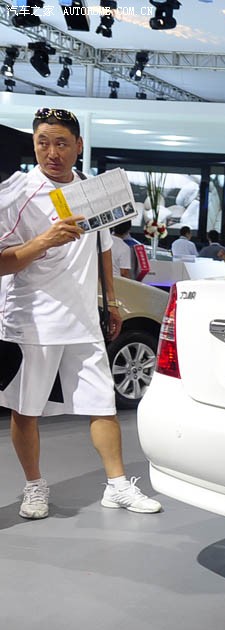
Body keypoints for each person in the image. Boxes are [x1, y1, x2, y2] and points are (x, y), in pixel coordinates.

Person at [0, 107, 161, 519]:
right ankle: (34, 486)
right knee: (26, 408)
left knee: (102, 404)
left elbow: (103, 249)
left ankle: (117, 485)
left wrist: (111, 300)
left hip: (84, 319)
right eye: (43, 143)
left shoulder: (92, 190)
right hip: (33, 320)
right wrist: (44, 241)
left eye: (61, 143)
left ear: (78, 146)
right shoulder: (15, 193)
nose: (51, 152)